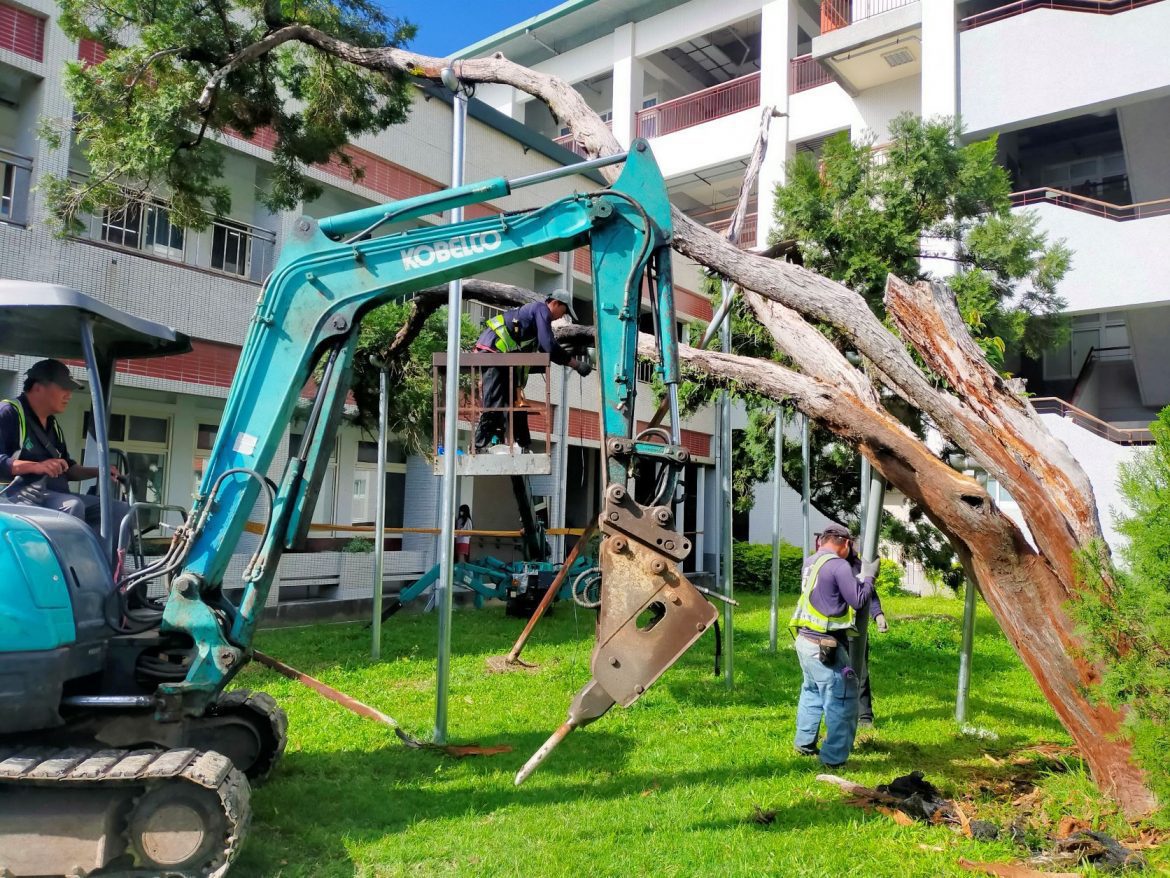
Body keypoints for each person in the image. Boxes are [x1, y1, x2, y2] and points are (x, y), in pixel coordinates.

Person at [789, 522, 879, 769]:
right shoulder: (838, 565)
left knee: (811, 692)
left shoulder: (810, 562)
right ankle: (834, 759)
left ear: (821, 541)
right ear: (846, 544)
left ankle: (804, 743)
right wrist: (869, 576)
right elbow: (858, 600)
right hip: (825, 646)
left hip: (804, 640)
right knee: (842, 700)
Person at [0, 359, 127, 534]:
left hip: (52, 495)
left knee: (119, 510)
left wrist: (99, 471)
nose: (69, 395)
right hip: (18, 499)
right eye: (63, 388)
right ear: (38, 387)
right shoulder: (8, 412)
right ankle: (71, 562)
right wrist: (37, 467)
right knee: (72, 506)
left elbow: (67, 468)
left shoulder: (53, 425)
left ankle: (106, 562)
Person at [473, 290, 592, 452]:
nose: (561, 316)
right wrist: (575, 364)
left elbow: (545, 349)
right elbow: (548, 346)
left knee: (517, 404)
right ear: (555, 303)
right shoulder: (540, 309)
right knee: (495, 404)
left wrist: (564, 355)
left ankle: (523, 445)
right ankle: (478, 445)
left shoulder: (533, 322)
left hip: (504, 359)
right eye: (563, 312)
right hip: (493, 351)